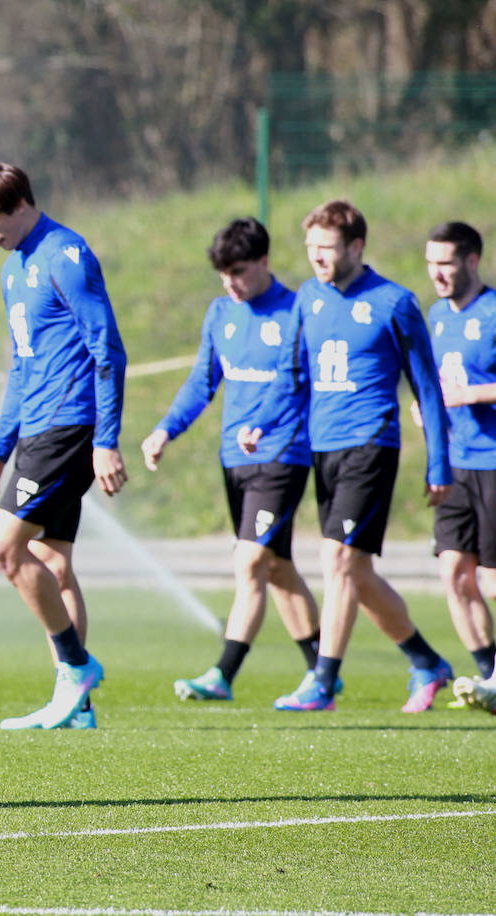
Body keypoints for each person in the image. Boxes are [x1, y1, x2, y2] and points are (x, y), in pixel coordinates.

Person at [239, 200, 452, 713]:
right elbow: (294, 375)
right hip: (323, 448)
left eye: (326, 248)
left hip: (371, 444)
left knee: (335, 557)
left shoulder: (394, 303)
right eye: (310, 247)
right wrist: (261, 421)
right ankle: (427, 662)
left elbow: (427, 388)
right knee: (355, 572)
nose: (316, 258)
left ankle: (323, 680)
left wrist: (438, 465)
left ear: (356, 247)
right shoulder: (308, 298)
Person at [0, 160, 127, 730]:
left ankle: (75, 668)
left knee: (4, 549)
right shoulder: (16, 268)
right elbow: (22, 369)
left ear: (20, 204)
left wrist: (106, 440)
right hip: (35, 428)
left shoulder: (66, 256)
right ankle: (78, 707)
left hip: (66, 427)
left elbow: (109, 350)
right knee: (53, 563)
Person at [141, 218, 322, 702]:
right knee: (277, 567)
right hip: (234, 457)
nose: (231, 284)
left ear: (264, 261)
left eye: (239, 272)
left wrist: (264, 425)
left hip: (283, 453)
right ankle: (322, 670)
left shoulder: (297, 312)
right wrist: (164, 429)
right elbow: (202, 382)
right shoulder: (221, 313)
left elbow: (299, 387)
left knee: (250, 560)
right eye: (223, 275)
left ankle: (223, 673)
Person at [415, 222, 496, 712]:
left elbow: (465, 386)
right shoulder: (436, 317)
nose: (437, 273)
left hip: (493, 461)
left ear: (471, 261)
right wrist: (426, 408)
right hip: (455, 462)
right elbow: (435, 381)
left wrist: (473, 394)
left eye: (445, 262)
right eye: (430, 263)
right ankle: (489, 672)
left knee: (490, 577)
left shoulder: (494, 311)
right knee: (454, 573)